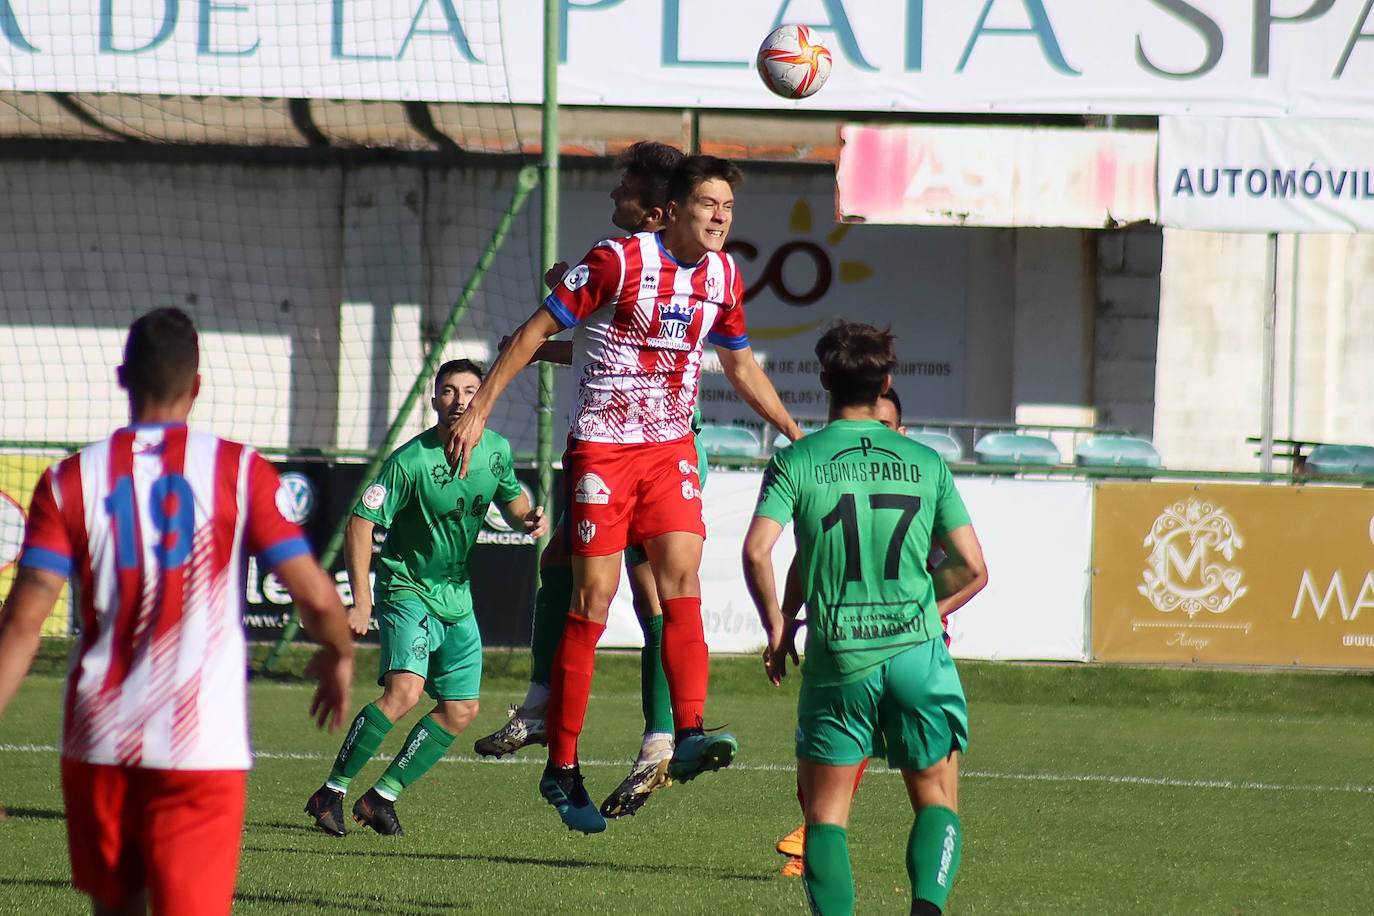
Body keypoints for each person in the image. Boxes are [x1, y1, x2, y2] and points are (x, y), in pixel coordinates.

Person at [448, 154, 803, 834]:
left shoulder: (724, 275)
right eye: (708, 204)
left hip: (670, 451)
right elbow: (534, 332)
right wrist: (480, 408)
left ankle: (688, 731)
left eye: (727, 205)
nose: (721, 216)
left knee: (682, 582)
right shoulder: (617, 260)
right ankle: (562, 767)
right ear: (674, 211)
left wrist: (793, 431)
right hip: (604, 453)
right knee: (593, 599)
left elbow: (738, 361)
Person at [0, 307, 356, 916]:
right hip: (200, 751)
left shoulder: (67, 482)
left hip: (99, 741)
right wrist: (338, 654)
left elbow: (22, 625)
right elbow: (318, 596)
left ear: (122, 377)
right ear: (197, 384)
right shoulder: (238, 471)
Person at [473, 140, 697, 821]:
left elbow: (626, 337)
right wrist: (568, 315)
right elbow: (615, 338)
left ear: (657, 210)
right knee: (564, 564)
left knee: (644, 592)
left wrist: (556, 310)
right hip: (620, 447)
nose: (612, 198)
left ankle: (657, 736)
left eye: (623, 189)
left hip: (642, 448)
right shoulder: (650, 265)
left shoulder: (635, 259)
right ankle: (555, 709)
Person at [743, 322, 988, 915]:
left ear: (825, 380)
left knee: (826, 818)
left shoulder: (797, 461)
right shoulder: (926, 462)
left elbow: (757, 551)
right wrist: (922, 613)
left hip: (839, 655)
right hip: (917, 655)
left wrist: (778, 624)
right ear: (886, 383)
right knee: (935, 801)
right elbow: (973, 568)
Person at [304, 358, 547, 836]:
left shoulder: (495, 452)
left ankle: (381, 797)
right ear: (435, 400)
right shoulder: (410, 461)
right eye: (449, 391)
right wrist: (362, 600)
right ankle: (330, 792)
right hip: (406, 589)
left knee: (461, 710)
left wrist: (528, 518)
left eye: (469, 390)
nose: (459, 400)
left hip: (456, 598)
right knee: (404, 694)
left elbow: (514, 501)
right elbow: (360, 524)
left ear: (484, 397)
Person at [773, 386, 978, 878]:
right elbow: (804, 560)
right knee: (883, 775)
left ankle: (815, 833)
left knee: (927, 787)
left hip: (909, 640)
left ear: (899, 432)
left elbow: (966, 568)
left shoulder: (915, 484)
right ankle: (815, 831)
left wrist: (927, 612)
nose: (874, 438)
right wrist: (788, 613)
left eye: (886, 429)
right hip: (866, 639)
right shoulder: (915, 470)